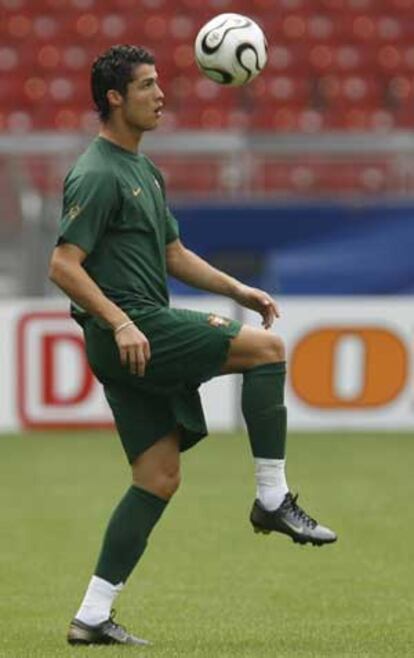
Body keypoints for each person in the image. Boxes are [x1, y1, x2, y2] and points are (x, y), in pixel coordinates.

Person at [49, 44, 337, 647]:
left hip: (131, 335)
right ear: (114, 98)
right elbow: (63, 265)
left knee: (156, 477)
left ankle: (92, 616)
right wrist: (121, 322)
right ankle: (272, 497)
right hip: (132, 328)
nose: (161, 95)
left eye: (159, 83)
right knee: (267, 351)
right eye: (148, 85)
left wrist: (239, 289)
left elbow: (173, 254)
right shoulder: (98, 172)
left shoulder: (144, 171)